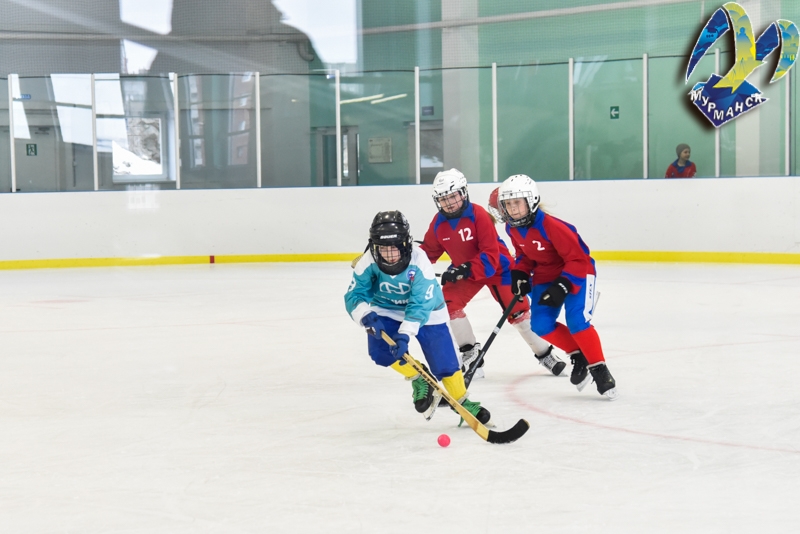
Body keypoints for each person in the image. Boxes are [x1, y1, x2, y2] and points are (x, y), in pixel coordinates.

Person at [345, 210, 491, 424]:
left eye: (394, 247)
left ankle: (462, 401)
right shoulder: (367, 262)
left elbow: (420, 304)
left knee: (445, 363)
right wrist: (365, 315)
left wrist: (405, 334)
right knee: (380, 351)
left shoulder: (419, 260)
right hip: (387, 309)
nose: (389, 254)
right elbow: (354, 295)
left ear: (405, 244)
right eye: (383, 248)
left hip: (429, 311)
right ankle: (418, 376)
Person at [419, 168, 566, 380]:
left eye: (453, 196)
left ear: (463, 193)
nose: (449, 202)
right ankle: (471, 353)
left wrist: (465, 269)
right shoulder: (438, 222)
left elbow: (490, 254)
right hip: (465, 271)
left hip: (498, 268)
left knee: (518, 313)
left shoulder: (479, 215)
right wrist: (407, 256)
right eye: (443, 199)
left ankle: (545, 353)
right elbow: (429, 251)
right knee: (447, 305)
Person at [497, 174, 618, 400]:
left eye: (517, 202)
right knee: (540, 325)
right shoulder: (511, 228)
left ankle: (599, 368)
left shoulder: (552, 227)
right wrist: (520, 272)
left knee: (577, 321)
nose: (512, 208)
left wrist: (563, 285)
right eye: (508, 204)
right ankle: (578, 354)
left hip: (577, 274)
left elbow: (579, 258)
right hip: (546, 276)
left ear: (531, 201)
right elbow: (524, 255)